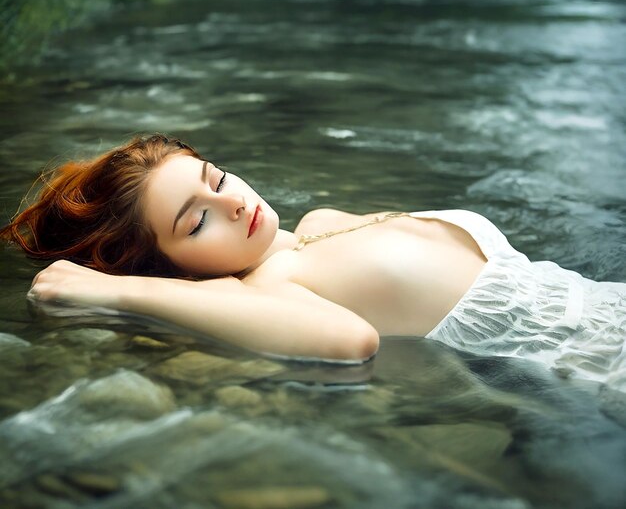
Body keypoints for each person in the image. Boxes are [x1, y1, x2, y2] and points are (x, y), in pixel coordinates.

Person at [2, 134, 625, 391]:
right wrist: (117, 293)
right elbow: (350, 342)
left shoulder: (323, 224)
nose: (231, 201)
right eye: (197, 221)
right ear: (174, 269)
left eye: (215, 177)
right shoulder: (267, 287)